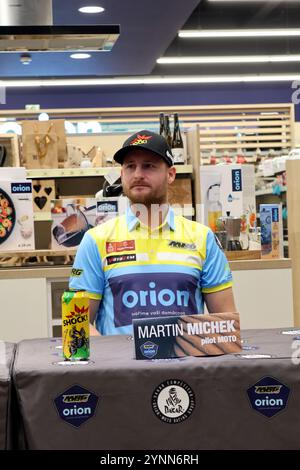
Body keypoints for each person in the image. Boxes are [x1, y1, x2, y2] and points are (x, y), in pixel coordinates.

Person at [69, 130, 236, 336]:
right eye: (130, 166)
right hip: (120, 367)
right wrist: (113, 364)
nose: (138, 174)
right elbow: (77, 324)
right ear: (122, 175)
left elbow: (226, 322)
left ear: (171, 174)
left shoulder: (202, 238)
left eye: (149, 166)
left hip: (185, 367)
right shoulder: (96, 240)